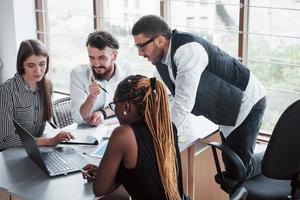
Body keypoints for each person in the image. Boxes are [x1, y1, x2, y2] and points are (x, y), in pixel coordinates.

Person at [131, 15, 267, 179]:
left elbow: (183, 102)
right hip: (227, 106)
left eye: (141, 46)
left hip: (247, 101)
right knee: (233, 167)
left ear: (160, 40)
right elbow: (155, 90)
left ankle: (273, 157)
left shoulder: (188, 50)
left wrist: (162, 138)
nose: (139, 53)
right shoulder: (160, 57)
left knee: (239, 172)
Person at [82, 75, 185, 200]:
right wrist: (109, 172)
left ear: (126, 107)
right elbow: (149, 174)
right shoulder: (168, 127)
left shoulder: (123, 134)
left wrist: (114, 175)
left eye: (114, 106)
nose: (115, 111)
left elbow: (99, 189)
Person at [0, 39, 73, 151]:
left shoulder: (47, 85)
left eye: (42, 64)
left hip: (34, 151)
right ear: (22, 65)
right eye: (31, 65)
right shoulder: (7, 91)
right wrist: (48, 142)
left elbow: (40, 132)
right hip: (9, 153)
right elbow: (5, 140)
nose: (38, 71)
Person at [70, 31, 133, 127]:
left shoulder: (126, 69)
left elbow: (128, 103)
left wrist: (103, 113)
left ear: (114, 55)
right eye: (91, 58)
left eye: (102, 58)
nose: (96, 64)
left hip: (118, 127)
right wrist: (92, 97)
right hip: (87, 133)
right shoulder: (78, 74)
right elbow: (80, 118)